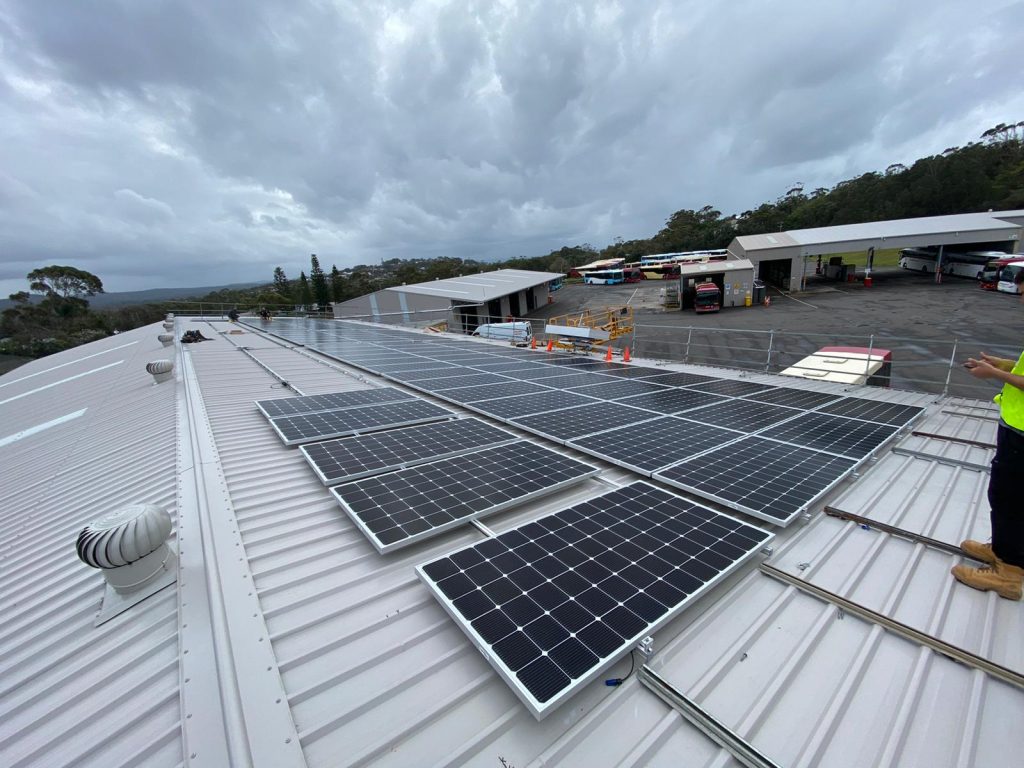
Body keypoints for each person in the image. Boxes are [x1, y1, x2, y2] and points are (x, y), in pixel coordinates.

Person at [954, 269, 1024, 599]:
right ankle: (1004, 549)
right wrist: (1006, 364)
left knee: (1009, 498)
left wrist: (993, 374)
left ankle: (1009, 573)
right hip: (1016, 429)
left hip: (1023, 438)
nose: (1020, 299)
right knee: (1009, 497)